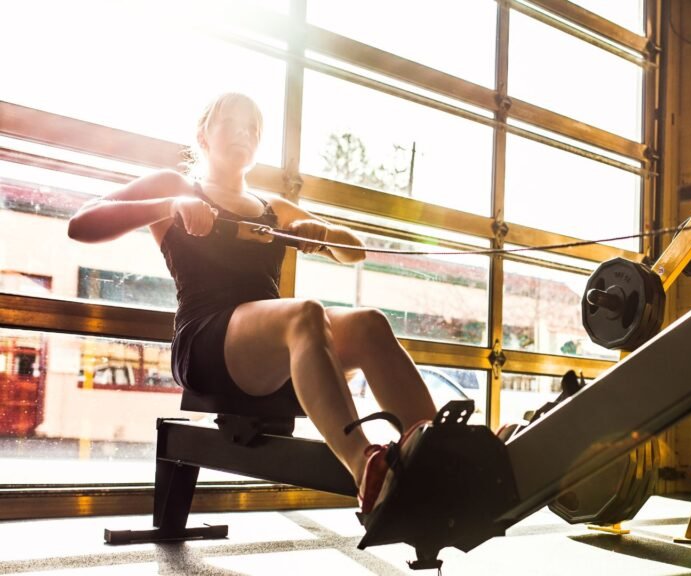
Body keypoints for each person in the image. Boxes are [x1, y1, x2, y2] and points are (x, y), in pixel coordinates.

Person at [67, 92, 436, 514]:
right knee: (304, 313)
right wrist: (172, 206)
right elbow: (82, 223)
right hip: (206, 343)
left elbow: (356, 252)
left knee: (369, 323)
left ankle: (438, 451)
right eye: (234, 123)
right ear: (204, 134)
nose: (245, 133)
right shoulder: (176, 186)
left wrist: (322, 233)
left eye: (254, 129)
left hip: (274, 348)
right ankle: (366, 469)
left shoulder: (272, 208)